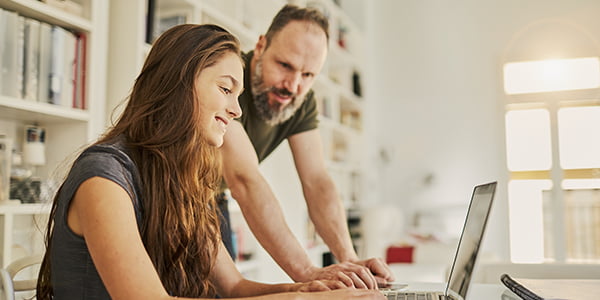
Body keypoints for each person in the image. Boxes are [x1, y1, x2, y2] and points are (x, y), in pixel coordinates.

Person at [35, 24, 385, 300]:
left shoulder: (186, 184)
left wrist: (307, 289)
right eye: (225, 89)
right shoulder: (105, 179)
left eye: (238, 94)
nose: (237, 110)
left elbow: (234, 288)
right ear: (179, 83)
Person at [218, 4, 395, 289]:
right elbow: (244, 180)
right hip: (163, 191)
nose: (292, 85)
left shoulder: (302, 102)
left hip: (211, 201)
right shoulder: (228, 77)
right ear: (261, 46)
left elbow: (317, 180)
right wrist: (307, 272)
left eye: (308, 75)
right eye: (285, 65)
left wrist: (348, 259)